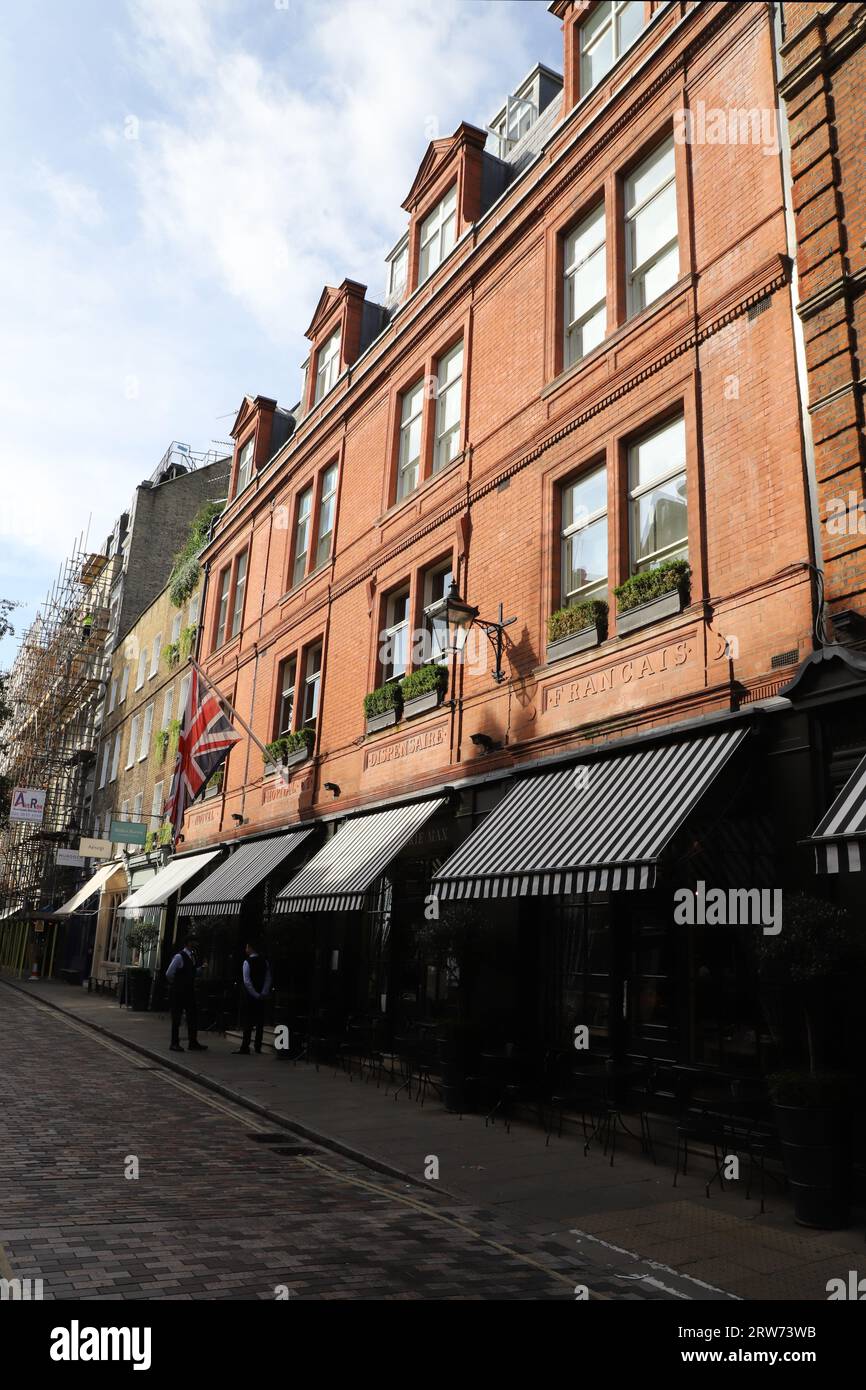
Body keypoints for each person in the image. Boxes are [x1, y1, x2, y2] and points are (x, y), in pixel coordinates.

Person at [165, 936, 208, 1053]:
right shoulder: (179, 956)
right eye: (194, 942)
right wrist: (176, 983)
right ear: (189, 943)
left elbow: (191, 972)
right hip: (178, 992)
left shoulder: (192, 956)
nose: (196, 944)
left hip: (189, 991)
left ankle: (193, 1042)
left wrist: (200, 969)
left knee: (192, 1016)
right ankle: (174, 1043)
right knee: (176, 1017)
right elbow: (169, 973)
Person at [233, 940, 272, 1055]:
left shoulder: (247, 962)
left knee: (248, 1021)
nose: (246, 949)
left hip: (250, 996)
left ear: (250, 948)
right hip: (262, 994)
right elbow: (268, 978)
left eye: (246, 947)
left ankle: (245, 1046)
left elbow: (247, 981)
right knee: (260, 1022)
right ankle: (258, 1046)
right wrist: (264, 992)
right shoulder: (265, 962)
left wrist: (255, 994)